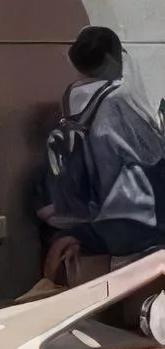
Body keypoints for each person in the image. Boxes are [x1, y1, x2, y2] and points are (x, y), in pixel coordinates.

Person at [35, 26, 165, 290]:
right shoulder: (118, 98)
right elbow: (152, 152)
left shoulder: (73, 97)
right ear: (111, 57)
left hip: (85, 212)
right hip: (127, 220)